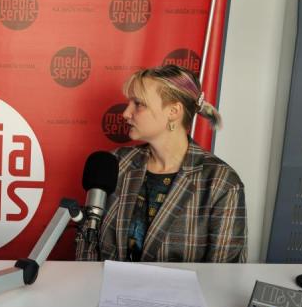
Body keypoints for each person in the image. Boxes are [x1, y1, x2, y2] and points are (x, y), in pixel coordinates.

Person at [76, 65, 247, 262]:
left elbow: (223, 272)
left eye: (138, 104)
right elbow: (88, 243)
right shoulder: (115, 164)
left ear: (173, 111)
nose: (125, 113)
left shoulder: (221, 183)